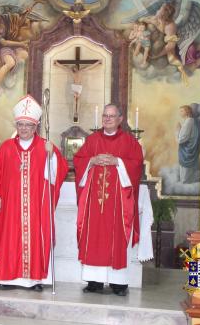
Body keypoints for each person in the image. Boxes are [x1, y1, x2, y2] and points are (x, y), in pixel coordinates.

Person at [0, 95, 68, 291]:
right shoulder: (6, 147)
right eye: (20, 124)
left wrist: (53, 156)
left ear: (35, 127)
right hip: (10, 204)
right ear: (16, 125)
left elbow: (57, 174)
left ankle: (34, 279)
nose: (24, 128)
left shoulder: (44, 146)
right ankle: (6, 278)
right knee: (9, 237)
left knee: (35, 238)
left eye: (28, 126)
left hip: (36, 207)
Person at [73, 104, 143, 296]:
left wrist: (118, 162)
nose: (107, 119)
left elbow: (137, 165)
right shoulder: (92, 140)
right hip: (94, 204)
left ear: (121, 119)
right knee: (93, 238)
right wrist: (91, 161)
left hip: (118, 204)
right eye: (105, 116)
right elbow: (79, 160)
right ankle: (94, 282)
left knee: (116, 239)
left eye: (112, 116)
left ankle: (118, 283)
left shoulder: (129, 142)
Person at [176, 105, 200, 183]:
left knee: (185, 178)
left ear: (187, 112)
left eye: (182, 111)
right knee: (190, 176)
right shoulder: (191, 121)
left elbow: (181, 139)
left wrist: (177, 130)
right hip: (190, 150)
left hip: (187, 152)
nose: (180, 113)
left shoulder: (188, 122)